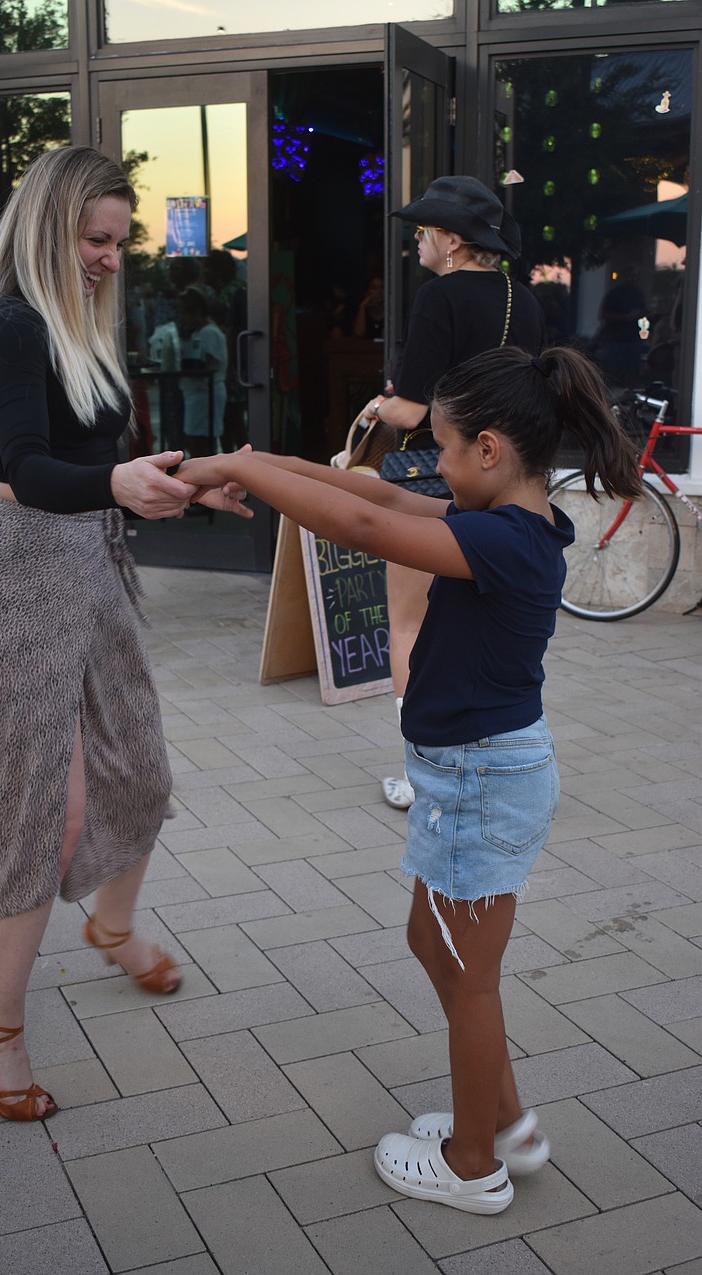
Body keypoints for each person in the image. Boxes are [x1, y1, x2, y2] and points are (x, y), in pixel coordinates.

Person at [178, 343, 642, 1215]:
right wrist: (248, 463)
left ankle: (474, 1163)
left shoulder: (509, 541)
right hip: (463, 775)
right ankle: (505, 1123)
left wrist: (243, 470)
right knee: (435, 944)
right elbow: (380, 495)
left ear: (491, 451)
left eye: (445, 447)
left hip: (480, 779)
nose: (436, 465)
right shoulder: (509, 520)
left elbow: (362, 527)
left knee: (468, 971)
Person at [0, 146, 250, 1123]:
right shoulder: (11, 328)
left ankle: (111, 932)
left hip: (96, 572)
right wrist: (114, 487)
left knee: (141, 773)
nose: (113, 257)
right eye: (95, 238)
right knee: (38, 813)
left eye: (120, 240)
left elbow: (96, 458)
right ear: (49, 229)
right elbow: (30, 469)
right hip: (28, 576)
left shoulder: (75, 323)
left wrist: (185, 479)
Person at [358, 176, 545, 810]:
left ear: (453, 240)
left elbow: (412, 411)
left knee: (411, 624)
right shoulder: (527, 299)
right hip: (509, 480)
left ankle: (419, 770)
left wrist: (377, 409)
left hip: (434, 473)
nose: (416, 241)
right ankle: (496, 756)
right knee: (485, 628)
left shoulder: (441, 297)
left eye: (424, 230)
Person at [177, 285, 227, 458]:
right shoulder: (199, 332)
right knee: (193, 439)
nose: (184, 318)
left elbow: (209, 363)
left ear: (197, 311)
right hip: (196, 394)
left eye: (186, 313)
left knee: (200, 441)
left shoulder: (209, 333)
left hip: (205, 393)